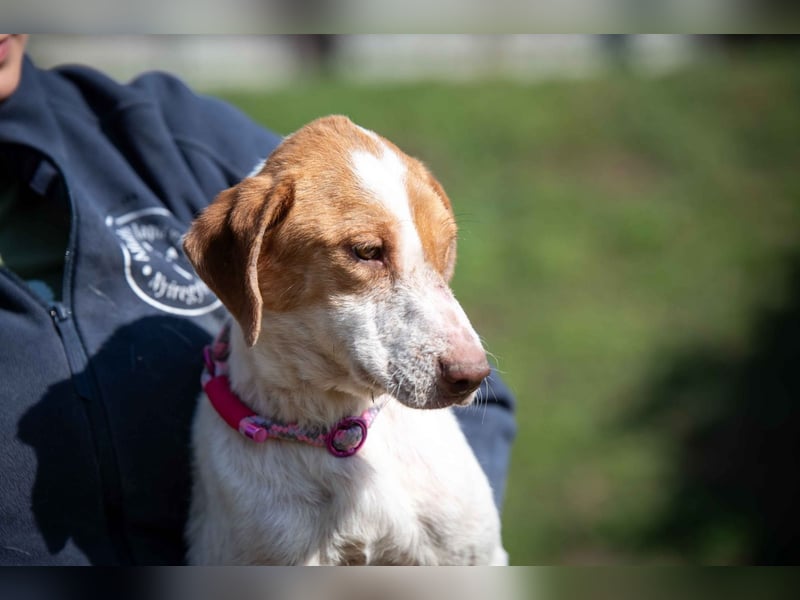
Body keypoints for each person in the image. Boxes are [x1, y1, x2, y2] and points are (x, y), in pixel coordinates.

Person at [0, 34, 516, 565]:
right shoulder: (258, 216)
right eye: (366, 251)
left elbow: (487, 400)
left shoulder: (164, 131)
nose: (469, 357)